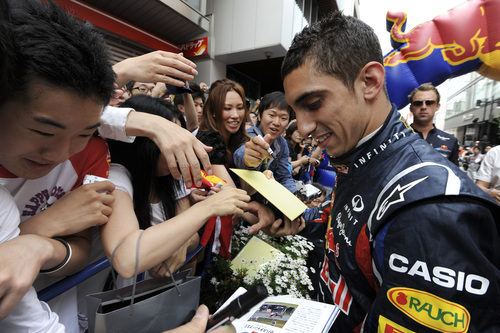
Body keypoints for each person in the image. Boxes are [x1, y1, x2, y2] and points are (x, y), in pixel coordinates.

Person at [282, 11, 500, 332]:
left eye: (313, 103)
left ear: (370, 82)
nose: (302, 127)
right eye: (295, 110)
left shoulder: (430, 208)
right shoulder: (359, 154)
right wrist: (296, 221)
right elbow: (348, 226)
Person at [104, 95, 249, 280]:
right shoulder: (116, 177)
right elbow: (126, 261)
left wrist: (183, 240)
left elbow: (192, 235)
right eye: (174, 141)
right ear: (143, 142)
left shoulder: (174, 176)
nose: (183, 149)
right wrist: (208, 207)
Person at [233, 91, 296, 193]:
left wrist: (295, 195)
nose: (276, 122)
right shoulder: (248, 135)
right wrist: (249, 159)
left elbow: (284, 176)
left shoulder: (282, 144)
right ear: (259, 116)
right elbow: (239, 155)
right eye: (271, 115)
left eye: (283, 118)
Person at [408, 83, 459, 165]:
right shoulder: (397, 138)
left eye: (429, 103)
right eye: (418, 103)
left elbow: (455, 175)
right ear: (411, 108)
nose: (424, 107)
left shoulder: (451, 141)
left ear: (437, 106)